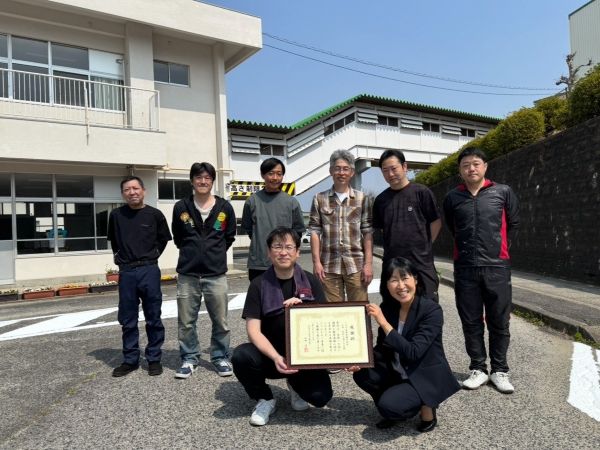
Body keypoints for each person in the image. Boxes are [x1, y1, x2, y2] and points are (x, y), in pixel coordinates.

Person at [232, 227, 332, 426]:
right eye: (277, 247)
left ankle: (295, 385)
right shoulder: (259, 284)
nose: (283, 252)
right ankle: (265, 398)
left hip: (303, 356)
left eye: (289, 247)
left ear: (297, 252)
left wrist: (304, 308)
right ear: (269, 253)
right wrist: (276, 357)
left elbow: (325, 322)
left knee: (321, 397)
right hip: (271, 356)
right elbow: (253, 330)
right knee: (241, 356)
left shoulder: (310, 281)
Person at [443, 147, 519, 394]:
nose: (471, 169)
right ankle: (478, 368)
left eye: (476, 163)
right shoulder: (453, 198)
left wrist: (498, 249)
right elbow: (453, 227)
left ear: (485, 166)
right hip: (465, 267)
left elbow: (513, 224)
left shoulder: (502, 192)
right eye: (465, 165)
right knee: (471, 320)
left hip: (497, 266)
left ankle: (500, 370)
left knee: (499, 320)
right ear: (460, 170)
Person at [353, 257, 460, 432]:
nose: (401, 285)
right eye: (394, 280)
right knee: (363, 374)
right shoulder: (389, 308)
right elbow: (382, 348)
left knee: (390, 406)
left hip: (422, 374)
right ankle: (393, 407)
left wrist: (383, 322)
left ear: (415, 280)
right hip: (398, 370)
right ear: (387, 285)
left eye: (405, 278)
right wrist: (361, 360)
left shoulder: (431, 310)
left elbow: (413, 352)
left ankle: (426, 404)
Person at [171, 162, 236, 379]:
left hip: (216, 274)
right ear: (192, 180)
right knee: (186, 322)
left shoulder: (225, 207)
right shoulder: (181, 207)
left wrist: (212, 254)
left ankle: (220, 357)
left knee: (221, 321)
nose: (203, 181)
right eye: (198, 177)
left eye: (207, 177)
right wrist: (194, 252)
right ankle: (189, 358)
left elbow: (228, 237)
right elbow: (178, 237)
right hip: (188, 274)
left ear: (213, 181)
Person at [107, 176, 172, 377]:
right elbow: (114, 242)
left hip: (149, 269)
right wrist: (121, 259)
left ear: (144, 191)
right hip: (126, 271)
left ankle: (154, 358)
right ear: (123, 194)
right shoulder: (116, 215)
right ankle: (130, 359)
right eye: (127, 189)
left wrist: (151, 256)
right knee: (128, 318)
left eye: (135, 188)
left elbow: (163, 239)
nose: (132, 192)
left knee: (153, 316)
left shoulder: (155, 215)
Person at [373, 149, 442, 303]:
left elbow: (436, 222)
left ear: (404, 167)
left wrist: (426, 244)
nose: (390, 174)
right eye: (385, 170)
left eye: (394, 168)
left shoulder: (422, 192)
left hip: (421, 264)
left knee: (427, 307)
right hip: (392, 265)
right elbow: (382, 229)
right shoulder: (380, 200)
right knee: (393, 309)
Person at [308, 149, 373, 302]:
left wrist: (368, 264)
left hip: (356, 265)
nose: (341, 173)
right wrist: (316, 263)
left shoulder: (362, 199)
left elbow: (368, 232)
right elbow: (314, 232)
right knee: (332, 311)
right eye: (337, 168)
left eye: (345, 169)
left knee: (359, 308)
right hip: (328, 265)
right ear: (331, 171)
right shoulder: (319, 199)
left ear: (352, 172)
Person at [241, 158, 306, 281]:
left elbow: (297, 232)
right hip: (259, 264)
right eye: (271, 173)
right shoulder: (252, 201)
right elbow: (249, 230)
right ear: (263, 175)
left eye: (279, 174)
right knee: (259, 293)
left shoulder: (291, 202)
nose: (275, 178)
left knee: (286, 293)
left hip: (284, 262)